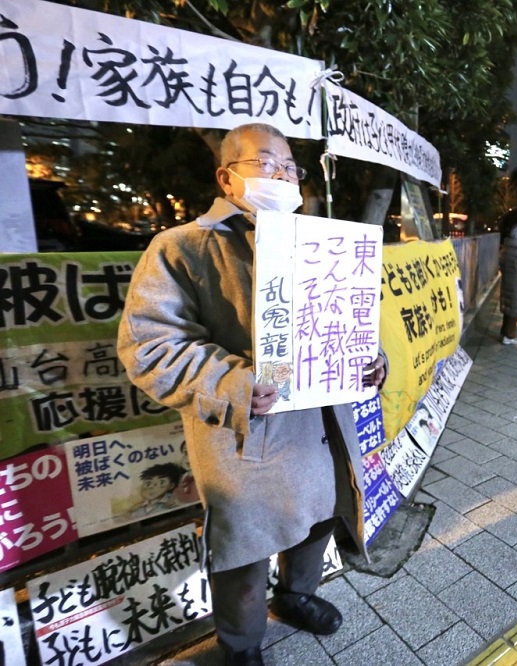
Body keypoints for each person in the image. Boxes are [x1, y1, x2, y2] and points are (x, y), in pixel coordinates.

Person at [117, 123, 387, 666]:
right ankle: (240, 646)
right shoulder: (183, 247)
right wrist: (234, 383)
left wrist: (370, 359)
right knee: (244, 551)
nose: (283, 175)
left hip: (320, 426)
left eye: (290, 166)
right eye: (268, 163)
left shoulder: (318, 241)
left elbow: (346, 320)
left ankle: (297, 597)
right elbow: (147, 345)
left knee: (316, 519)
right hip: (245, 438)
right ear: (226, 176)